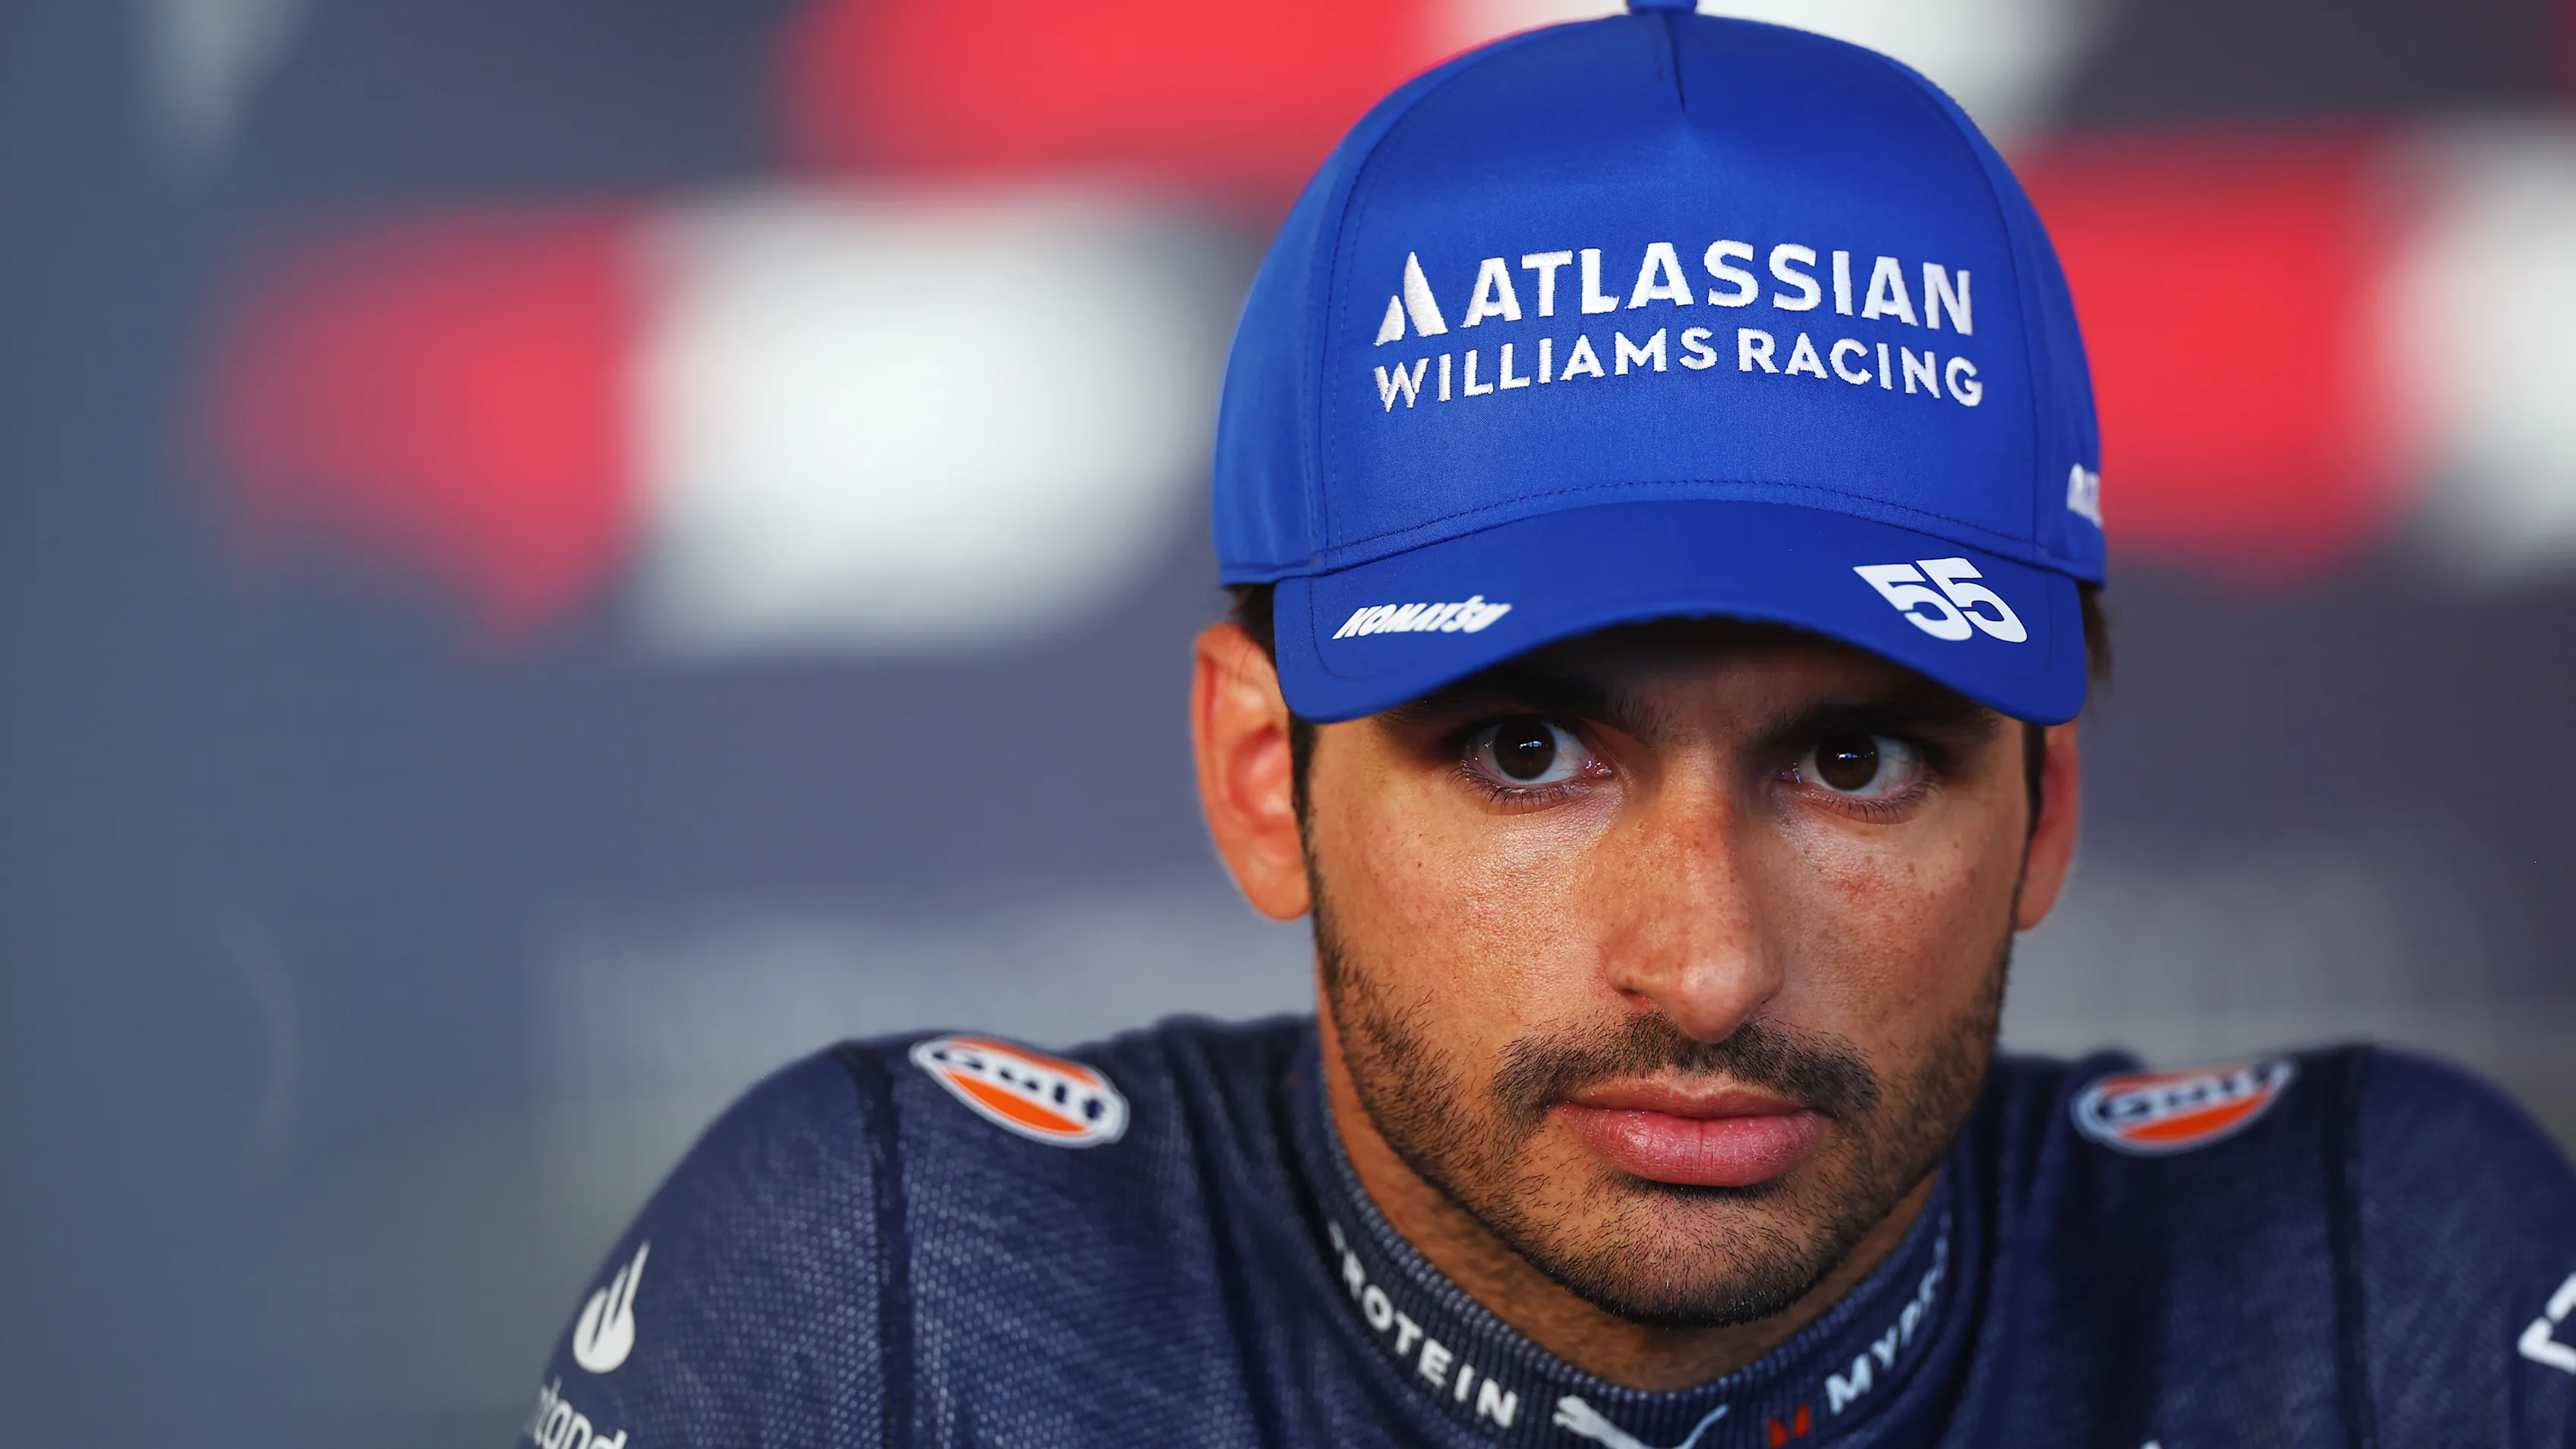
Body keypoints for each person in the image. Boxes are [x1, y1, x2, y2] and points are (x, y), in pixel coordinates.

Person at [516, 6, 2576, 1445]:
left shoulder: (2376, 1290)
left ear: (2044, 808)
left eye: (1854, 759)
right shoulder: (893, 1301)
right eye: (1527, 751)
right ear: (1264, 780)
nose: (1706, 957)